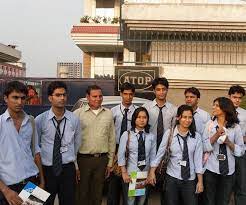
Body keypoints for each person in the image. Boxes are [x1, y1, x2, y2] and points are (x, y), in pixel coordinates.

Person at [35, 81, 81, 205]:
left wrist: (74, 165)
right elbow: (35, 146)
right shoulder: (40, 120)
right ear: (50, 98)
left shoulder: (74, 119)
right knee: (41, 202)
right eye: (58, 95)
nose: (62, 98)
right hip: (46, 170)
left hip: (67, 169)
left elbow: (76, 143)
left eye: (64, 95)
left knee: (68, 201)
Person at [148, 104, 204, 205]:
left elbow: (198, 161)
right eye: (184, 117)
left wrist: (200, 182)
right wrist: (152, 172)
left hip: (190, 180)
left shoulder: (196, 137)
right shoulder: (170, 134)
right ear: (178, 118)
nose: (187, 120)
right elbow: (160, 154)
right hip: (172, 178)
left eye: (190, 117)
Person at [0, 81, 44, 205]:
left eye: (22, 98)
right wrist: (6, 190)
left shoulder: (30, 121)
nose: (19, 102)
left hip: (31, 183)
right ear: (6, 98)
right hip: (7, 186)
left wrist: (42, 182)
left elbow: (36, 152)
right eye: (15, 97)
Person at [74, 85, 116, 205]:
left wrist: (110, 162)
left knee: (97, 194)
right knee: (82, 194)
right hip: (83, 160)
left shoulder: (108, 113)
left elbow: (111, 139)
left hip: (101, 160)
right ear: (88, 97)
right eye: (94, 96)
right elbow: (71, 141)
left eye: (100, 96)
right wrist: (75, 165)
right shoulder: (78, 114)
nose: (98, 99)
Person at [202, 97, 244, 205]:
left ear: (224, 108)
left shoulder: (235, 127)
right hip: (211, 169)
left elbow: (241, 151)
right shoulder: (209, 125)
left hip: (228, 171)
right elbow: (204, 147)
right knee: (209, 200)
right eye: (214, 105)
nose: (213, 107)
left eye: (216, 105)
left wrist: (229, 142)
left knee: (223, 201)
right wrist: (216, 135)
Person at [142, 77, 176, 205]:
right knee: (140, 191)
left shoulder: (174, 109)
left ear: (167, 90)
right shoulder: (146, 108)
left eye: (164, 89)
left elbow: (173, 132)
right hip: (145, 153)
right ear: (154, 91)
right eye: (158, 89)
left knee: (166, 191)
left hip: (165, 154)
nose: (161, 92)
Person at [118, 107, 156, 205]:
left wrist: (151, 173)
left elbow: (153, 156)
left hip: (144, 174)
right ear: (134, 119)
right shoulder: (127, 135)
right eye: (139, 117)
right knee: (130, 201)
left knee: (141, 201)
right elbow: (121, 155)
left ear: (147, 119)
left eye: (144, 117)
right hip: (131, 174)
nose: (142, 120)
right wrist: (124, 173)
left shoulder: (150, 136)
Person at [108, 82, 137, 205]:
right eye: (125, 94)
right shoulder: (112, 111)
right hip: (116, 150)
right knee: (114, 188)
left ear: (133, 95)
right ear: (121, 94)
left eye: (131, 94)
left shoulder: (138, 112)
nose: (128, 97)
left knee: (132, 191)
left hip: (134, 152)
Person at [228, 85, 246, 205]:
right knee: (225, 186)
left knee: (241, 185)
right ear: (229, 97)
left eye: (239, 98)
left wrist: (241, 139)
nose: (237, 100)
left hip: (241, 153)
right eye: (234, 97)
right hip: (225, 152)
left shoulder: (245, 114)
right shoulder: (222, 112)